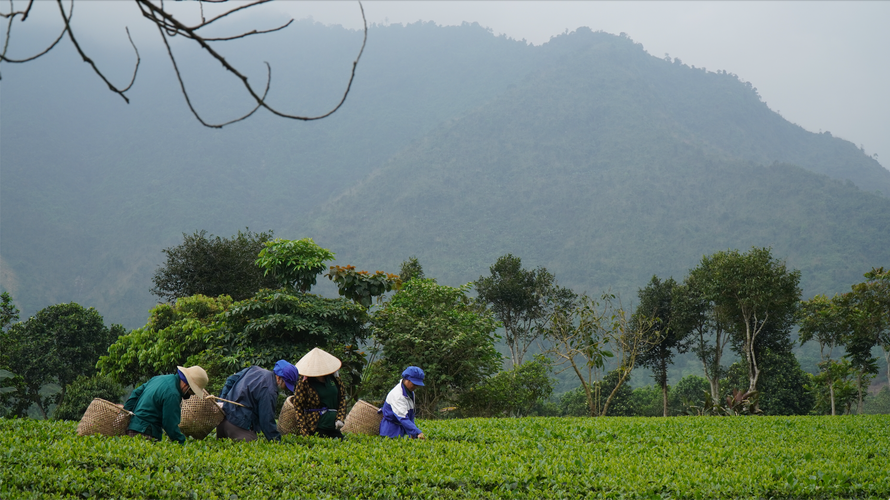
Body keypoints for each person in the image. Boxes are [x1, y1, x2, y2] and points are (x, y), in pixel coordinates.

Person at [215, 359, 298, 442]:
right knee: (252, 444)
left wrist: (223, 402)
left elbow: (230, 380)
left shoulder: (254, 369)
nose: (285, 388)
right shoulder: (269, 390)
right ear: (278, 378)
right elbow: (266, 421)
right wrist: (277, 441)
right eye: (286, 385)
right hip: (237, 425)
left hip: (221, 422)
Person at [123, 365, 208, 444]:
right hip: (147, 433)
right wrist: (182, 442)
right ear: (186, 385)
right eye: (191, 392)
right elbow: (170, 424)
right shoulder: (173, 394)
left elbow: (135, 394)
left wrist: (127, 416)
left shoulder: (159, 379)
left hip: (132, 428)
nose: (191, 395)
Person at [292, 347, 347, 439]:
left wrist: (340, 418)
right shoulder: (304, 383)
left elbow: (342, 399)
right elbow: (298, 407)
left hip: (334, 426)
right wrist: (304, 433)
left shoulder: (334, 378)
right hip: (315, 426)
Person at [379, 366, 425, 439]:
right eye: (414, 384)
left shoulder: (410, 392)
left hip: (403, 429)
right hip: (391, 431)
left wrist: (412, 432)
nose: (415, 387)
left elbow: (410, 415)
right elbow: (402, 418)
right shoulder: (397, 395)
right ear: (406, 380)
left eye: (417, 385)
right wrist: (417, 432)